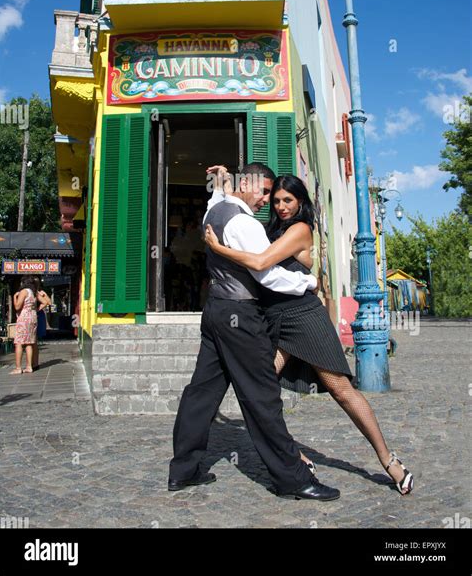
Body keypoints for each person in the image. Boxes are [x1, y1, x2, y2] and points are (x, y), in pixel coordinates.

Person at [205, 172, 414, 496]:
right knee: (261, 389)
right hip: (275, 317)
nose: (281, 206)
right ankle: (295, 459)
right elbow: (237, 209)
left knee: (342, 391)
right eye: (276, 201)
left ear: (300, 201)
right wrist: (222, 185)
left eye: (288, 200)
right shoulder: (269, 228)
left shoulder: (300, 229)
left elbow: (260, 261)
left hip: (303, 316)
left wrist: (219, 248)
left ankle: (389, 460)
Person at [168, 163, 340, 500]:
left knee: (201, 392)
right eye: (262, 191)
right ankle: (293, 480)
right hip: (240, 316)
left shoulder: (216, 209)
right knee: (261, 396)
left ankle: (183, 471)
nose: (266, 200)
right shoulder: (244, 222)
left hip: (215, 310)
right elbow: (267, 273)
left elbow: (214, 200)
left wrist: (221, 184)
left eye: (269, 193)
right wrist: (308, 281)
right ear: (245, 184)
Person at [10, 278, 38, 375]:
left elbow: (17, 306)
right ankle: (29, 367)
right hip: (32, 318)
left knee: (19, 343)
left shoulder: (24, 291)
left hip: (24, 319)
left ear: (23, 283)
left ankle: (18, 368)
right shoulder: (33, 293)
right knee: (29, 343)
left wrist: (14, 297)